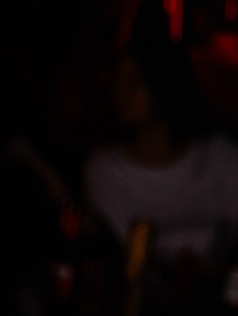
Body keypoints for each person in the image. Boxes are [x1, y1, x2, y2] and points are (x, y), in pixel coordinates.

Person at [84, 41, 238, 263]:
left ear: (164, 84)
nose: (119, 93)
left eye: (133, 82)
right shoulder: (105, 172)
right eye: (116, 81)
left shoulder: (220, 157)